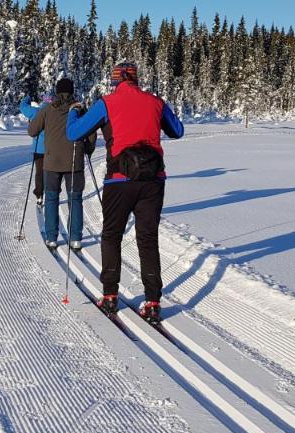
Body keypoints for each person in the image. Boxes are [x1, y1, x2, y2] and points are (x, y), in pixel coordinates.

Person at [66, 61, 184, 323]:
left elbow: (74, 133)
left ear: (116, 80)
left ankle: (110, 296)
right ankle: (153, 301)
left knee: (111, 235)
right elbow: (177, 131)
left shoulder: (106, 103)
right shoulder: (155, 102)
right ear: (136, 79)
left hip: (119, 179)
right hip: (153, 180)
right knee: (147, 239)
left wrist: (74, 112)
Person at [27, 78, 96, 250]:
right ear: (72, 91)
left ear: (57, 92)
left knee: (51, 198)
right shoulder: (79, 109)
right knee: (75, 199)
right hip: (74, 160)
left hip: (51, 161)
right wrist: (87, 149)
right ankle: (75, 239)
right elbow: (92, 132)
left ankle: (51, 238)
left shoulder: (47, 109)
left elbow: (32, 131)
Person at [18, 95, 50, 205]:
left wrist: (27, 97)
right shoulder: (57, 113)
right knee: (51, 172)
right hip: (53, 148)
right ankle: (51, 193)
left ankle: (39, 194)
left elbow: (22, 107)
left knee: (39, 172)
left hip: (39, 149)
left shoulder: (36, 112)